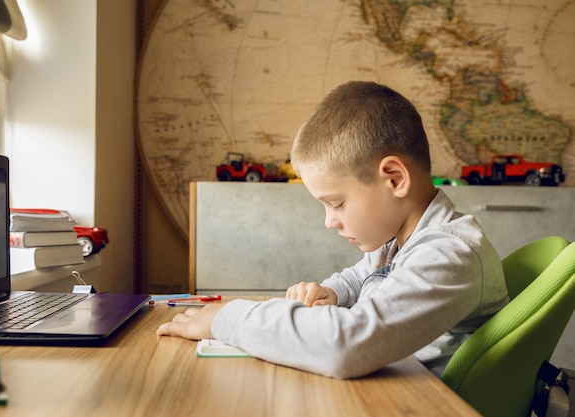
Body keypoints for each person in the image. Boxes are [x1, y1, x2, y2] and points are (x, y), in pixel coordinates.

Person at [157, 81, 509, 379]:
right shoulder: (398, 242)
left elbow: (346, 346)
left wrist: (227, 318)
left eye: (337, 203)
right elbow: (362, 276)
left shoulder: (449, 253)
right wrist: (333, 292)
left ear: (394, 179)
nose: (330, 221)